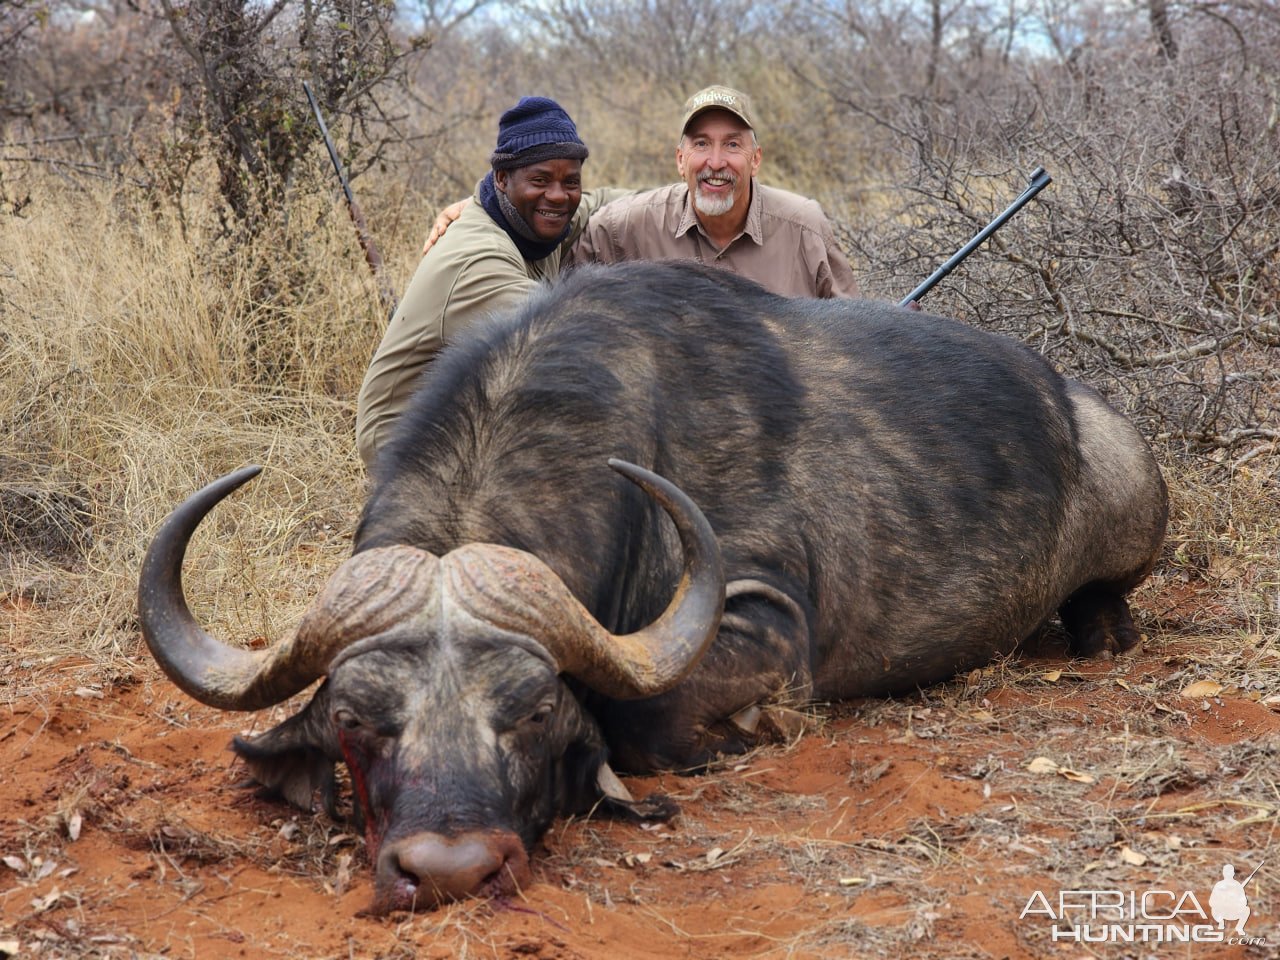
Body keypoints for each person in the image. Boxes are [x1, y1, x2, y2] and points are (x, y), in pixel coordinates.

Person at [355, 96, 625, 470]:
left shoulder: (534, 217)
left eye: (571, 182)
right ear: (502, 178)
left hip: (469, 413)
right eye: (540, 180)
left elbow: (620, 206)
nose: (559, 196)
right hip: (411, 445)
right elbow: (569, 336)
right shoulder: (477, 260)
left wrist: (705, 197)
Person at [568, 85, 859, 299]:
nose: (716, 163)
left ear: (755, 159)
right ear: (681, 160)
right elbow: (568, 311)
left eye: (732, 145)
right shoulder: (621, 229)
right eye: (701, 144)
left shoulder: (804, 229)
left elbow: (852, 338)